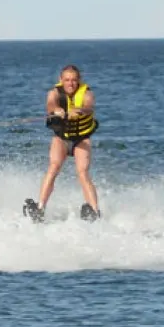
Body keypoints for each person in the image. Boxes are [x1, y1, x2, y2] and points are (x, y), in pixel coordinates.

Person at [23, 64, 101, 223]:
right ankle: (40, 208)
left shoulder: (87, 93)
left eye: (74, 80)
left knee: (83, 172)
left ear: (79, 80)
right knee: (53, 167)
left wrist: (79, 110)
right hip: (61, 138)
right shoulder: (54, 93)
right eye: (67, 80)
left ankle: (94, 211)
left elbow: (89, 108)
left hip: (81, 139)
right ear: (61, 80)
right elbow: (50, 104)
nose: (70, 83)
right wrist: (57, 109)